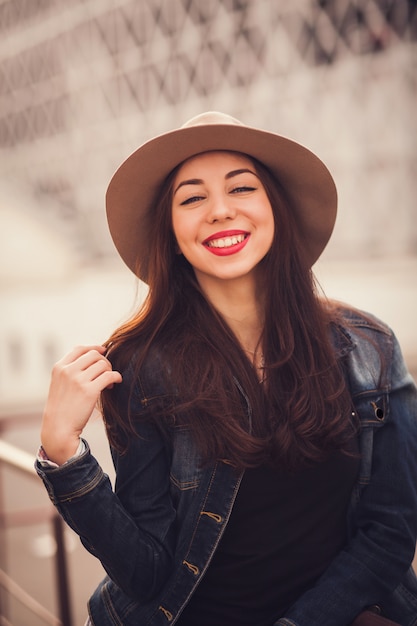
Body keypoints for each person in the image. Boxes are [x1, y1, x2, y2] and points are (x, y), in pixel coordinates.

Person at [36, 112, 417, 626]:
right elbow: (148, 572)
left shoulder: (369, 348)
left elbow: (390, 530)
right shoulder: (140, 368)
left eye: (241, 189)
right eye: (192, 198)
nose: (219, 211)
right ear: (171, 234)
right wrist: (64, 456)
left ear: (274, 209)